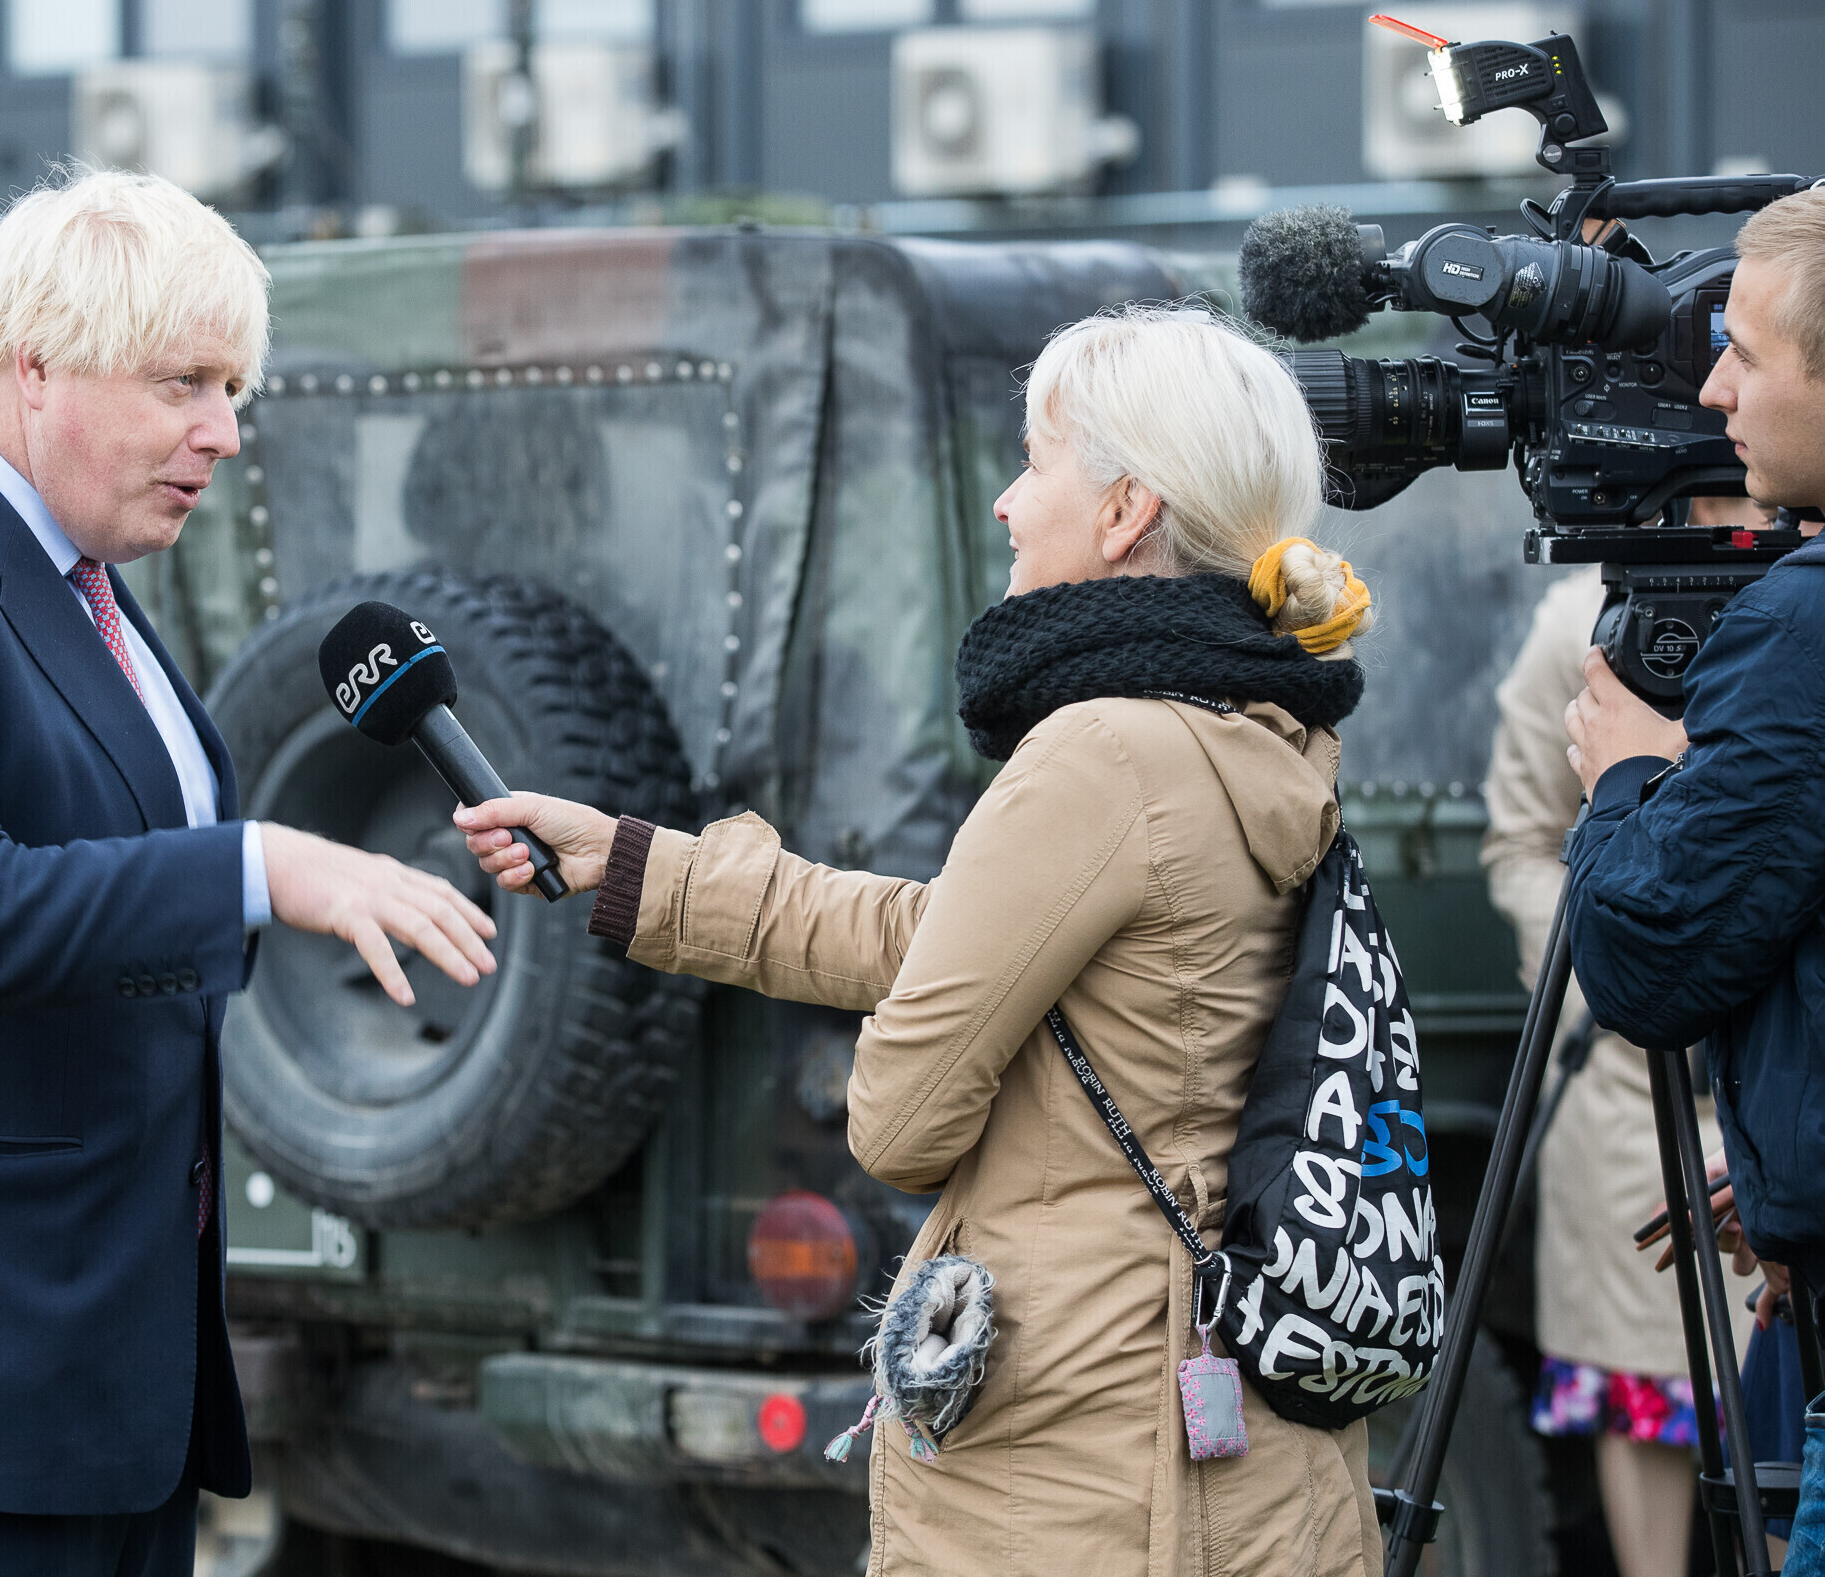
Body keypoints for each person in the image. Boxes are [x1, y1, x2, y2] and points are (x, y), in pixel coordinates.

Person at [460, 305, 1382, 1576]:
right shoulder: (1251, 725)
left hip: (1081, 1466)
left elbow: (898, 1125)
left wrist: (915, 1048)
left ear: (1125, 511)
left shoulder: (1100, 752)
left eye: (1034, 464)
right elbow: (961, 934)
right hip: (1216, 1431)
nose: (1005, 502)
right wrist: (637, 868)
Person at [0, 169, 497, 1577]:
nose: (223, 431)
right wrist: (255, 866)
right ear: (35, 368)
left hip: (97, 1382)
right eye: (183, 382)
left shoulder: (81, 577)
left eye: (230, 388)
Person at [1561, 186, 1825, 1575]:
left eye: (1743, 354)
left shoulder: (1797, 626)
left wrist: (1627, 778)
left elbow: (1648, 957)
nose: (1712, 390)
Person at [1482, 499, 1766, 1577]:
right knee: (1636, 1390)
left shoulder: (1800, 611)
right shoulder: (1581, 623)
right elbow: (1520, 839)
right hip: (1624, 1093)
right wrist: (1607, 988)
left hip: (1774, 1079)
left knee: (1784, 1396)